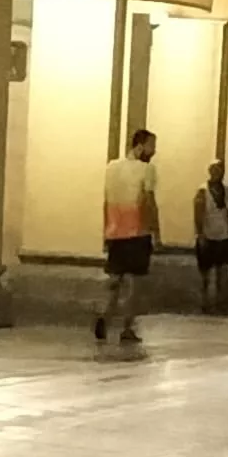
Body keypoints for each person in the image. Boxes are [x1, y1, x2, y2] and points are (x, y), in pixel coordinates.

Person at [97, 129, 159, 346]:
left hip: (115, 231)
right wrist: (156, 231)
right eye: (152, 145)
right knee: (133, 284)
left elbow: (105, 202)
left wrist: (106, 231)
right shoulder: (147, 169)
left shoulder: (111, 168)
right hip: (137, 231)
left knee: (115, 280)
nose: (154, 151)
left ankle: (105, 315)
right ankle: (127, 327)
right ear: (140, 146)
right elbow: (149, 200)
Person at [193, 160, 228, 313]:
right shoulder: (202, 190)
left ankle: (221, 303)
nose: (217, 172)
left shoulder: (227, 189)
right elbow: (198, 213)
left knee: (223, 272)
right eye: (214, 169)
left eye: (220, 169)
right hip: (208, 234)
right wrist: (200, 234)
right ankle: (205, 303)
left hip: (224, 235)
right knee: (206, 273)